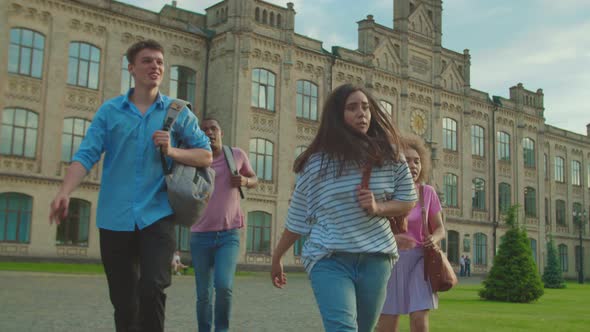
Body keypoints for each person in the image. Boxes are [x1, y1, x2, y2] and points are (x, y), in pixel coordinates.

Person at [49, 39, 212, 332]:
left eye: (160, 62)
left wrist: (173, 151)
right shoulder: (110, 112)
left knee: (152, 289)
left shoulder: (178, 113)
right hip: (115, 217)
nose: (155, 66)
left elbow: (206, 155)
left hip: (157, 215)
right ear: (132, 68)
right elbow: (86, 154)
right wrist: (64, 192)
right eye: (148, 61)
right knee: (124, 303)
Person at [271, 84, 417, 332]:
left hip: (376, 259)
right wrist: (277, 258)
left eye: (366, 107)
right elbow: (296, 220)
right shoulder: (317, 163)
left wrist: (378, 207)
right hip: (330, 258)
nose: (362, 113)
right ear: (337, 116)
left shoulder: (391, 156)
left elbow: (408, 199)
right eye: (352, 108)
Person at [190, 118, 257, 332]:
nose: (209, 132)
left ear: (221, 133)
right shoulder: (195, 158)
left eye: (214, 129)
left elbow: (254, 178)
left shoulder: (236, 155)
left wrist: (245, 181)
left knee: (224, 286)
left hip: (228, 236)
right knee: (203, 295)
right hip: (200, 236)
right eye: (205, 130)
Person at [377, 134, 446, 332]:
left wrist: (434, 238)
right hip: (389, 261)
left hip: (420, 262)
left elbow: (441, 228)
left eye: (417, 161)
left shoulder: (427, 193)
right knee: (387, 326)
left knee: (419, 320)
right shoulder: (385, 192)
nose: (414, 166)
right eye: (407, 161)